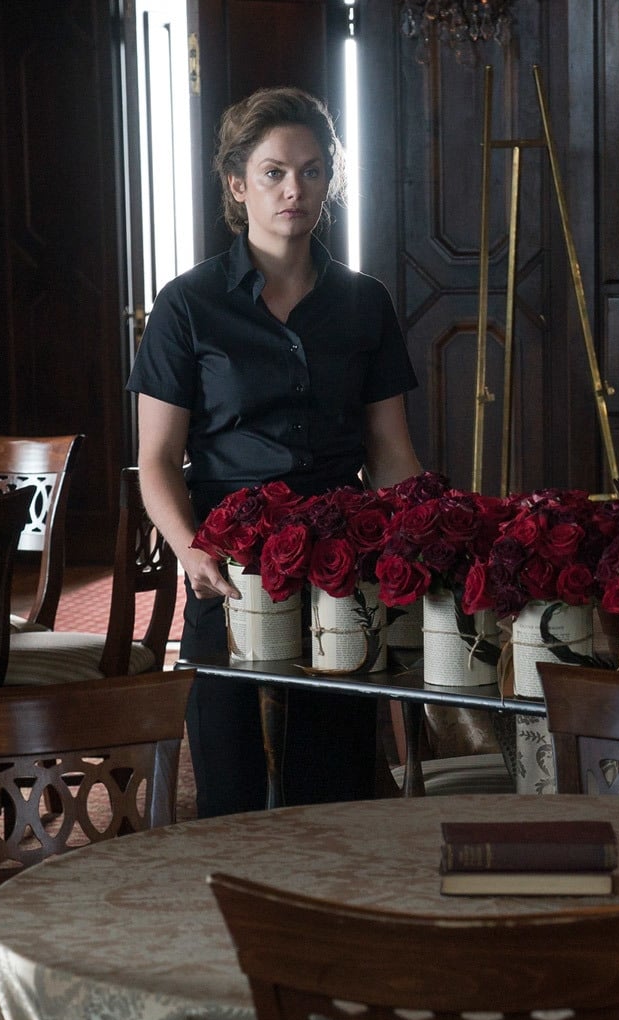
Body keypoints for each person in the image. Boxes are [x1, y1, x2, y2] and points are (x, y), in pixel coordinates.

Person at [128, 87, 423, 817]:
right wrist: (190, 549)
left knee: (337, 782)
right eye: (274, 172)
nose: (295, 189)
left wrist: (422, 540)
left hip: (342, 561)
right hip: (227, 565)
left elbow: (390, 453)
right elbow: (157, 459)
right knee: (229, 782)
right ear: (237, 184)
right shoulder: (187, 304)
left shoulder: (365, 302)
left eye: (312, 171)